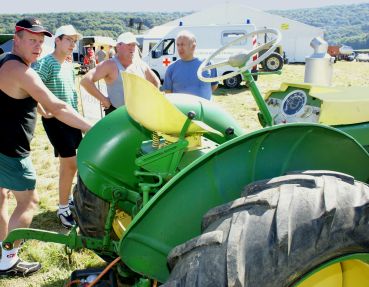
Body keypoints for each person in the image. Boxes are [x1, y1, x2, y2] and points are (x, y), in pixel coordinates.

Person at [0, 17, 91, 277]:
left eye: (41, 42)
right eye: (31, 40)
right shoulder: (21, 71)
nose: (38, 46)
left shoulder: (6, 62)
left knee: (2, 200)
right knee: (29, 203)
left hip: (3, 144)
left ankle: (3, 252)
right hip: (10, 149)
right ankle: (8, 260)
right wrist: (90, 127)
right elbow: (57, 106)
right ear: (16, 39)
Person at [33, 25, 83, 229]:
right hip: (56, 121)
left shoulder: (69, 65)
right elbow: (31, 88)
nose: (72, 44)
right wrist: (42, 110)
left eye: (74, 41)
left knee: (76, 162)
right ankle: (63, 208)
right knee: (70, 164)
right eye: (68, 40)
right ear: (57, 40)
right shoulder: (46, 63)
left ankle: (68, 200)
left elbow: (71, 95)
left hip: (72, 119)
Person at [81, 32, 160, 115]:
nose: (132, 48)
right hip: (117, 115)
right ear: (118, 46)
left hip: (139, 115)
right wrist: (104, 99)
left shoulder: (141, 65)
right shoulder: (109, 65)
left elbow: (155, 82)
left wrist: (149, 99)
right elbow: (85, 81)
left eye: (133, 45)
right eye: (128, 44)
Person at [163, 30, 218, 100]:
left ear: (193, 46)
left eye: (182, 44)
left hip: (204, 109)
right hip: (180, 110)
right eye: (178, 45)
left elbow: (214, 86)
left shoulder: (208, 64)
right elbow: (168, 92)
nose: (179, 48)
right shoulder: (171, 68)